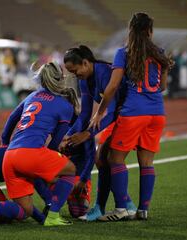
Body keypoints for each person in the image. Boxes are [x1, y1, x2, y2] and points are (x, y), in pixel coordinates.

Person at [0, 62, 80, 230]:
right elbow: (54, 144)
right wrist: (50, 165)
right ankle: (53, 214)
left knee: (24, 209)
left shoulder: (31, 97)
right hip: (30, 153)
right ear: (61, 79)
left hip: (9, 157)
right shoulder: (65, 106)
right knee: (70, 169)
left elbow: (10, 122)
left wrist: (5, 145)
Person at [90, 12, 171, 221]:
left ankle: (121, 209)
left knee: (114, 158)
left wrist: (100, 112)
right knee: (147, 162)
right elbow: (162, 86)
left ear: (130, 30)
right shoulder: (160, 53)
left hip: (134, 113)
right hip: (157, 113)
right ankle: (143, 210)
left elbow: (113, 85)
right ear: (149, 31)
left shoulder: (124, 53)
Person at [60, 45, 136, 221]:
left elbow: (111, 111)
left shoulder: (104, 73)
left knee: (104, 159)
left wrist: (87, 134)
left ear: (86, 63)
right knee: (102, 161)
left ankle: (110, 208)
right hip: (118, 115)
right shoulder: (84, 80)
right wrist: (68, 135)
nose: (74, 75)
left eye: (75, 70)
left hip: (130, 114)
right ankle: (125, 206)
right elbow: (85, 114)